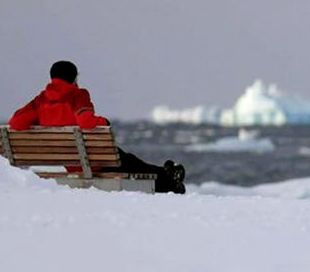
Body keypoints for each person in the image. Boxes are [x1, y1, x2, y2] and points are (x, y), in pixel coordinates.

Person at [10, 60, 184, 193]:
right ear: (73, 77)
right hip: (93, 159)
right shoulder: (78, 95)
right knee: (131, 163)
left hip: (71, 162)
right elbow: (85, 121)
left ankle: (167, 175)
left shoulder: (41, 100)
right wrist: (103, 121)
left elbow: (16, 123)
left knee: (129, 161)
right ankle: (170, 181)